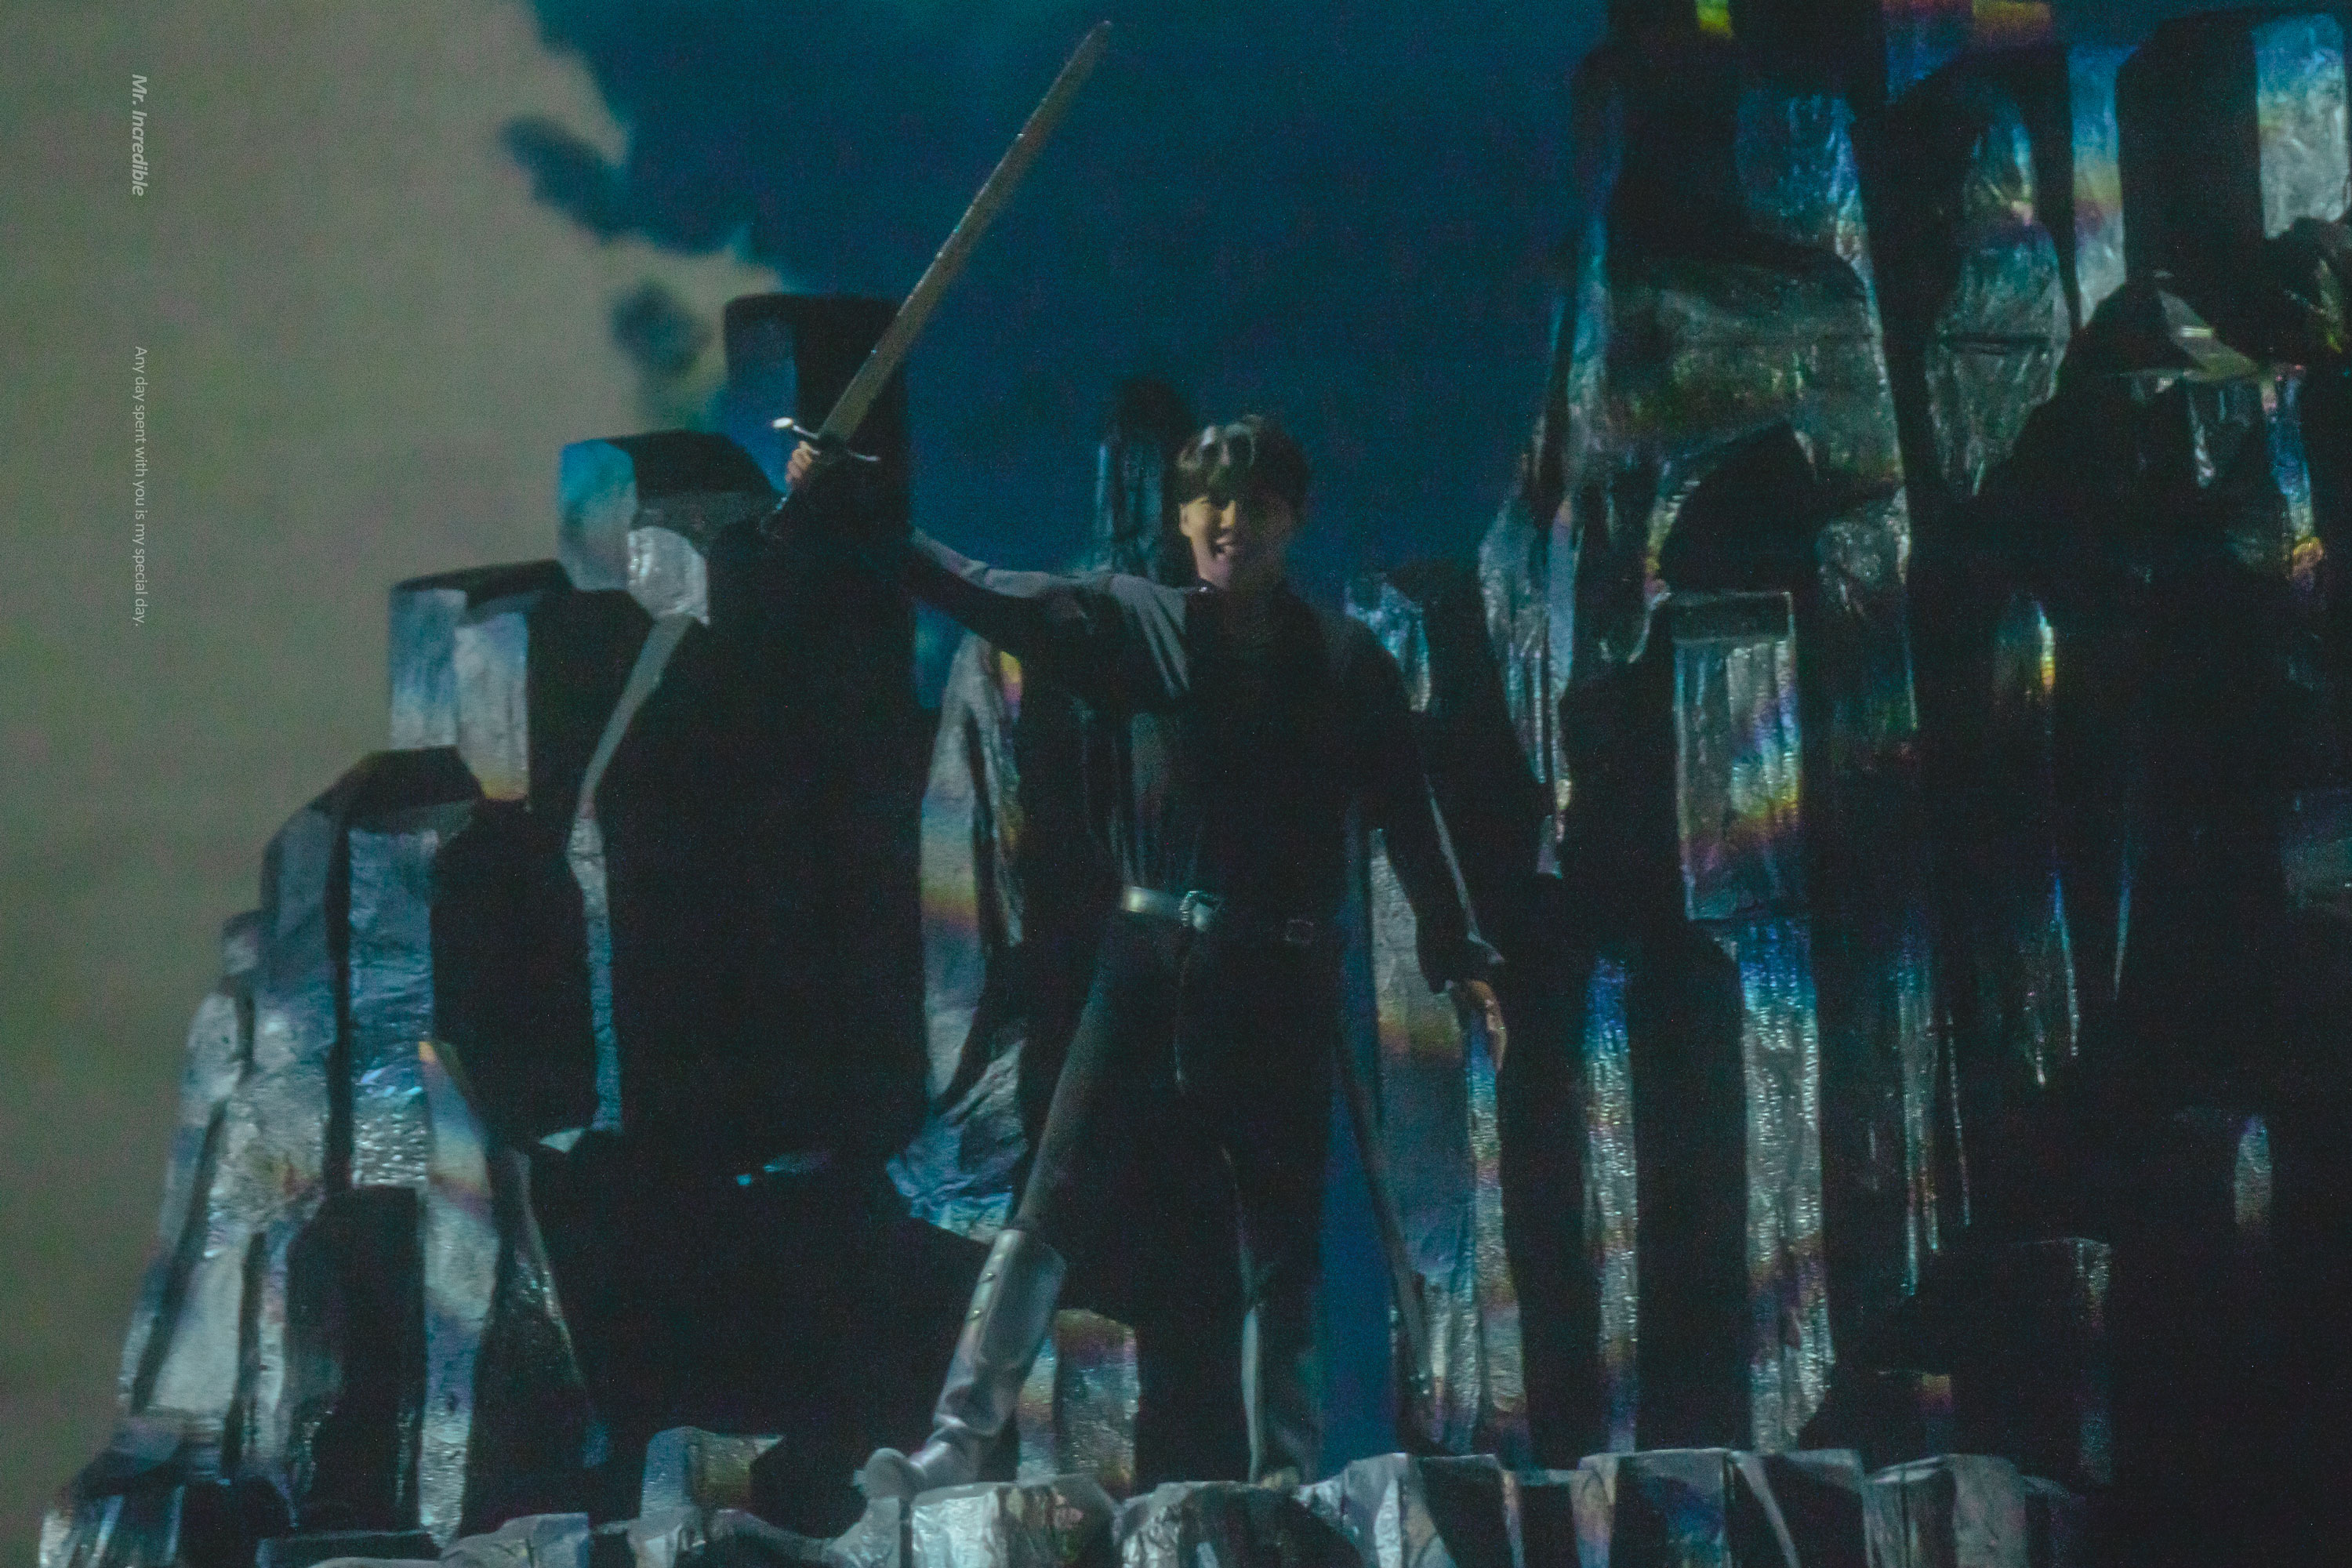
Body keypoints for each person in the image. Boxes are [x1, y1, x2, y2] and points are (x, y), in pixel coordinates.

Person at [785, 416, 1498, 1506]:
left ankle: (1283, 1478)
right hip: (1150, 957)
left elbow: (1408, 810)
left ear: (1292, 520)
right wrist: (850, 501)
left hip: (1276, 978)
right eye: (1210, 500)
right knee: (1050, 1202)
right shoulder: (1133, 623)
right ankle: (957, 1442)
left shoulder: (1345, 663)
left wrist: (1456, 949)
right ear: (1182, 516)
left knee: (1280, 1241)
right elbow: (981, 590)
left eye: (1255, 503)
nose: (1230, 521)